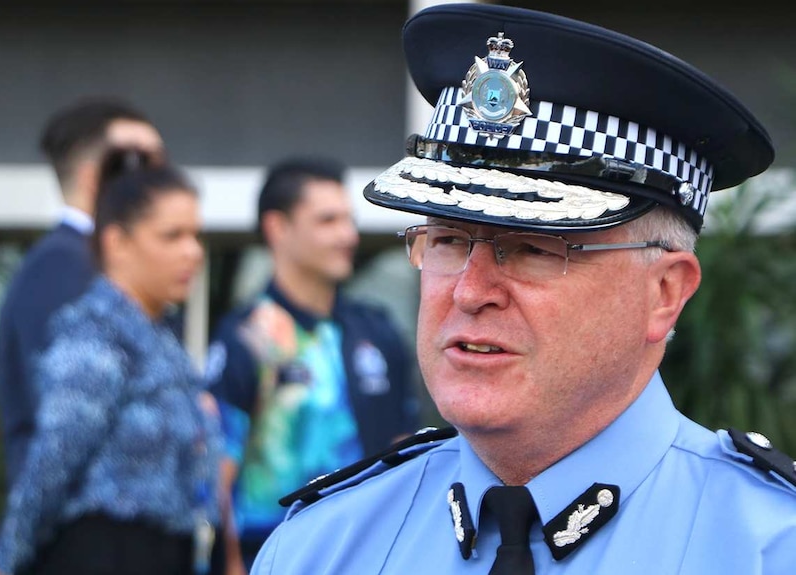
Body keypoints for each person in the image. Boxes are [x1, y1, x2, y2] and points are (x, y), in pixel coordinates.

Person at [249, 4, 796, 574]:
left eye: (536, 248)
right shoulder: (320, 549)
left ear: (664, 292)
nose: (469, 292)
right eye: (448, 241)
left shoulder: (769, 547)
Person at [0, 148, 228, 575]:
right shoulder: (94, 334)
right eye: (172, 236)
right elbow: (50, 467)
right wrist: (6, 562)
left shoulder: (161, 340)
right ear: (117, 242)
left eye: (196, 236)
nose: (192, 252)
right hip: (100, 556)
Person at [204, 157, 421, 569]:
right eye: (327, 221)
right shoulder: (246, 338)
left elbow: (405, 454)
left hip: (371, 556)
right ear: (277, 228)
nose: (347, 235)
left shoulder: (376, 331)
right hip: (272, 557)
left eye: (348, 219)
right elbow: (217, 478)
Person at [0, 96, 164, 488]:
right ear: (93, 177)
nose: (161, 179)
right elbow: (70, 422)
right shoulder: (63, 269)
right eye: (141, 163)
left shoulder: (93, 265)